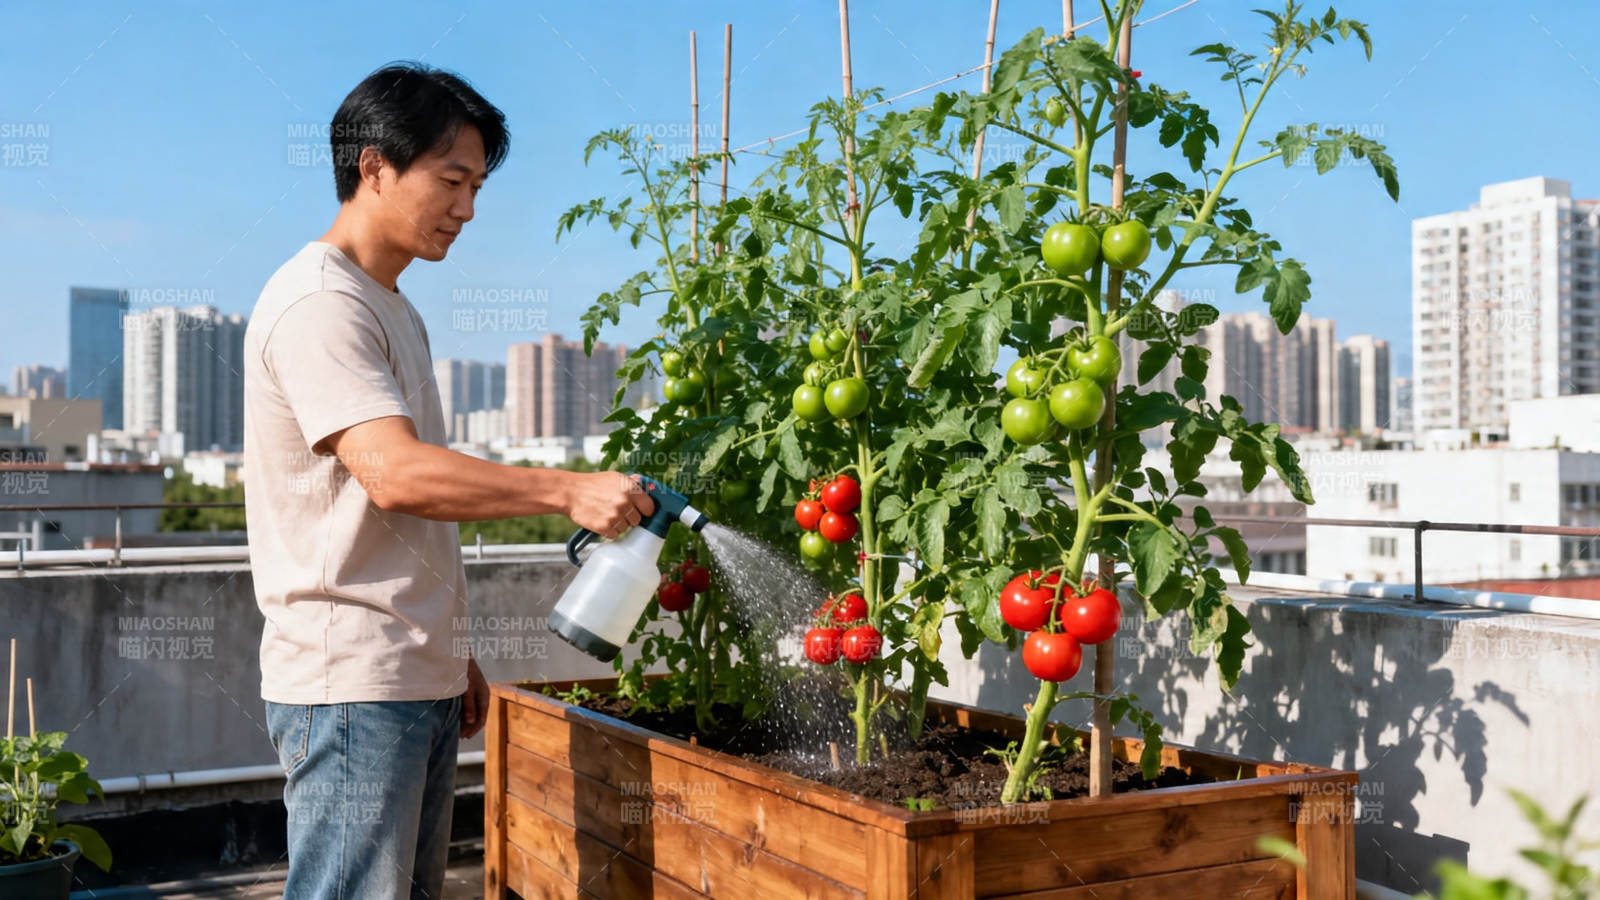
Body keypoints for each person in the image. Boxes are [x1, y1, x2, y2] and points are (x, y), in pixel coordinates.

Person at [242, 62, 654, 899]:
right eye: (453, 181)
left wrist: (447, 648)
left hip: (403, 673)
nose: (467, 210)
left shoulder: (390, 302)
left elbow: (397, 510)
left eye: (477, 187)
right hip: (350, 681)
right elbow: (393, 474)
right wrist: (568, 491)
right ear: (374, 166)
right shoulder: (322, 303)